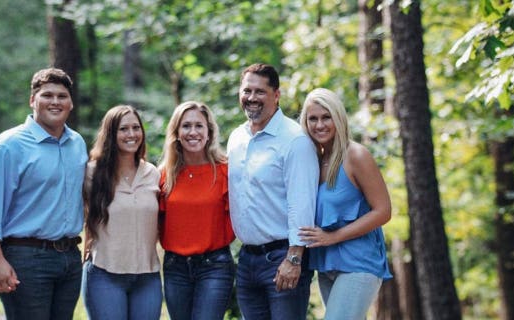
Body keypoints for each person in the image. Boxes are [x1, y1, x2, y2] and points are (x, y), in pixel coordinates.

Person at [0, 68, 87, 320]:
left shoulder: (76, 143)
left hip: (69, 258)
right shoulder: (8, 146)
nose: (55, 102)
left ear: (71, 103)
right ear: (33, 100)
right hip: (27, 258)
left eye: (62, 96)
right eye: (47, 95)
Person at [227, 63, 319, 320]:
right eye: (247, 91)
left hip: (283, 257)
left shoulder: (294, 139)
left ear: (276, 95)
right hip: (247, 259)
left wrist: (294, 258)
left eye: (260, 92)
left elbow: (302, 203)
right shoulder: (236, 138)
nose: (252, 98)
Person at [297, 88, 392, 320]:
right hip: (326, 264)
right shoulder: (314, 161)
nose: (320, 125)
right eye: (313, 118)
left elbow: (383, 211)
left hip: (358, 262)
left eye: (326, 117)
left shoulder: (356, 155)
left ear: (338, 117)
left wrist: (333, 237)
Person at [82, 105, 162, 320]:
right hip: (104, 274)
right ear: (111, 133)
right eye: (123, 129)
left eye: (136, 128)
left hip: (147, 277)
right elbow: (80, 215)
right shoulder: (92, 172)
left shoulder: (153, 173)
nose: (131, 134)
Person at [158, 101, 236, 320]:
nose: (193, 132)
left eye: (199, 126)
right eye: (186, 126)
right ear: (176, 132)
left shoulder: (225, 171)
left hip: (215, 266)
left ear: (209, 132)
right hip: (175, 268)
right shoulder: (164, 176)